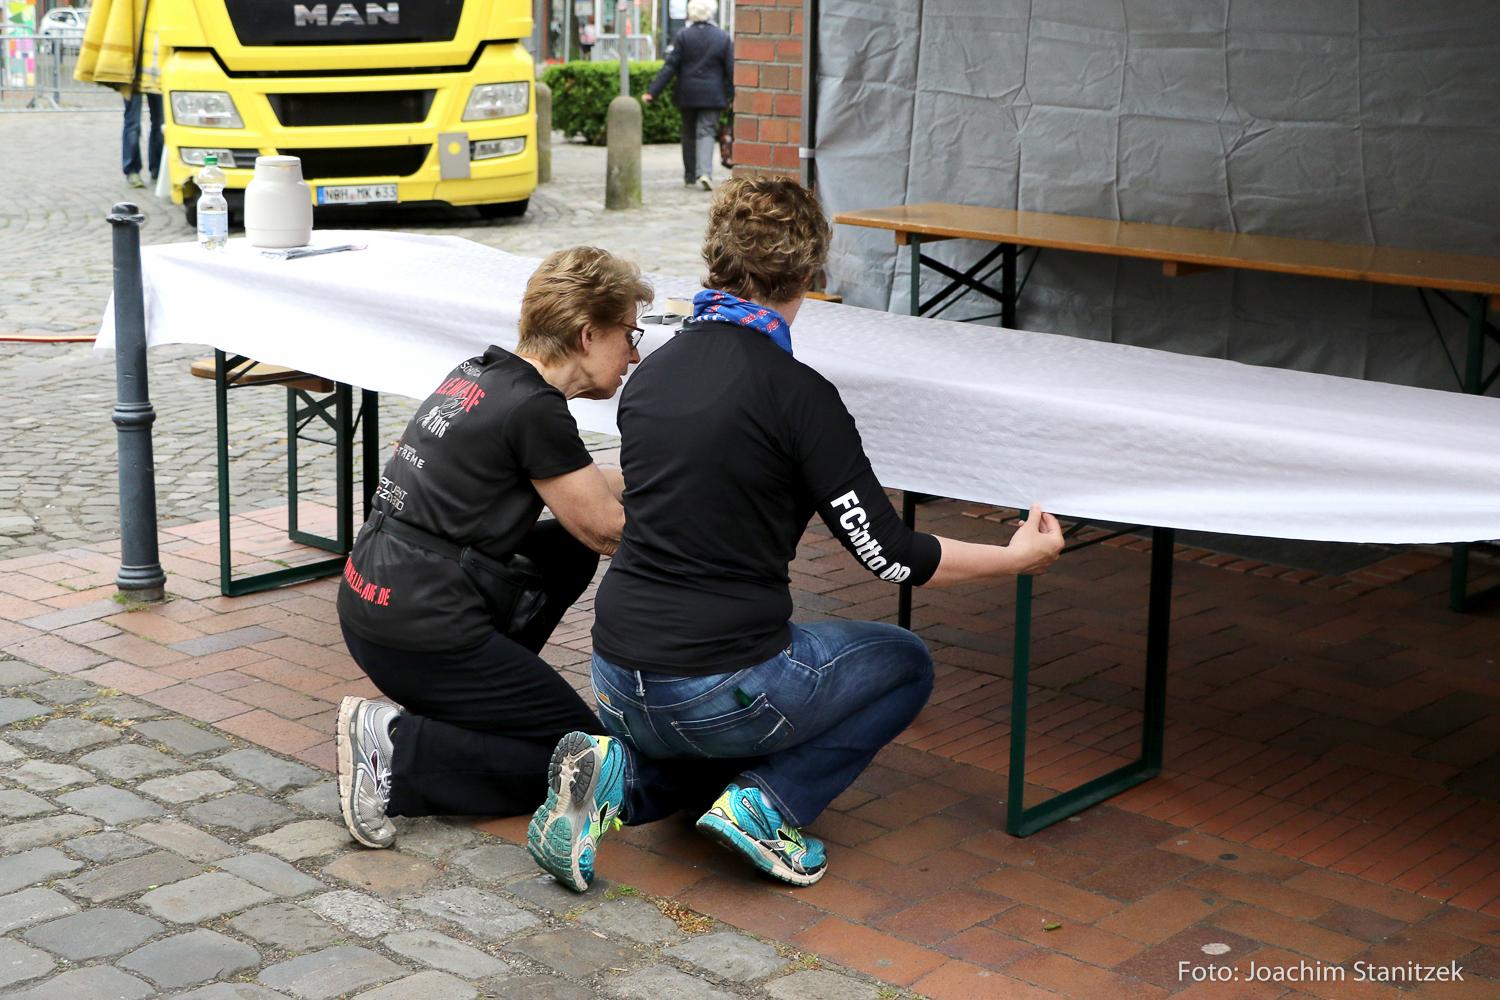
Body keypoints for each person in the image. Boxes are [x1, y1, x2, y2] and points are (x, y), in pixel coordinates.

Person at [527, 178, 1065, 891]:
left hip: (619, 671)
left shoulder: (650, 374)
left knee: (708, 743)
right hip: (719, 683)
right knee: (904, 662)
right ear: (809, 274)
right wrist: (1014, 558)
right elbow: (891, 556)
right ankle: (767, 806)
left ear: (716, 259)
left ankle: (614, 779)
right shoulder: (800, 396)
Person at [333, 246, 653, 850]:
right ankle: (397, 751)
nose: (633, 355)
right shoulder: (535, 410)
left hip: (374, 605)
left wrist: (659, 477)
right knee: (591, 761)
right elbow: (606, 529)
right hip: (425, 630)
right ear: (588, 334)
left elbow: (583, 486)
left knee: (563, 551)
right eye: (628, 336)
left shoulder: (484, 375)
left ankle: (468, 707)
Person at [642, 0, 732, 190]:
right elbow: (730, 69)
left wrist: (652, 92)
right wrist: (732, 95)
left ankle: (690, 176)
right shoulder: (722, 37)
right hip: (713, 95)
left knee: (688, 134)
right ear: (712, 12)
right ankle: (705, 173)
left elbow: (670, 66)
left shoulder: (683, 35)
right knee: (706, 132)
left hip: (688, 94)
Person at [122, 89, 163, 189]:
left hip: (158, 79)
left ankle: (158, 170)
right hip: (133, 80)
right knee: (133, 123)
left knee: (161, 123)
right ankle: (132, 171)